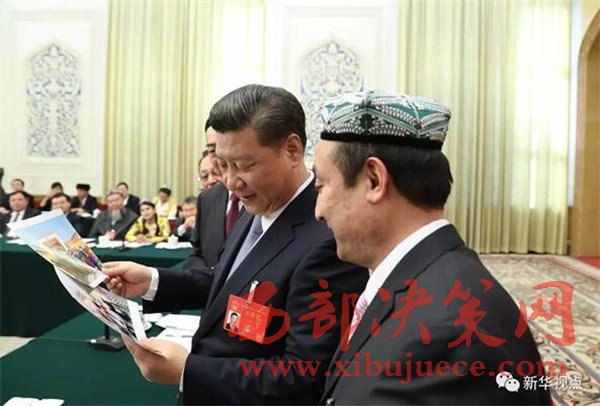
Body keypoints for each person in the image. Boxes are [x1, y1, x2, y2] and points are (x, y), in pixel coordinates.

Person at [103, 84, 369, 405]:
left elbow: (306, 376)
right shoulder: (256, 203)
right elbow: (233, 285)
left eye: (244, 165)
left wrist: (188, 371)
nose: (230, 182)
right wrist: (152, 281)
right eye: (223, 165)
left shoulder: (328, 240)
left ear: (292, 150)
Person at [313, 91, 551, 405]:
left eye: (321, 186)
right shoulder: (415, 276)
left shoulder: (446, 334)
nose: (318, 211)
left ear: (374, 180)